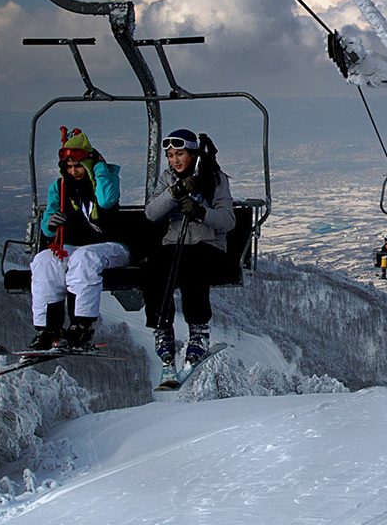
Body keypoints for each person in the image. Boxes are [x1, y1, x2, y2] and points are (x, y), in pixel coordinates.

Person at [142, 129, 236, 380]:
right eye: (170, 155)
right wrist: (174, 192)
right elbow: (151, 213)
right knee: (154, 268)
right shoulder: (167, 179)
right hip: (174, 245)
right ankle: (162, 328)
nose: (175, 160)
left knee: (192, 265)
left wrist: (200, 212)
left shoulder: (214, 179)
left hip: (208, 247)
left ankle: (198, 331)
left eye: (180, 154)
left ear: (193, 154)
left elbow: (228, 220)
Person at [28, 127, 128, 350]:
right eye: (70, 167)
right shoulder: (61, 188)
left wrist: (99, 167)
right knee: (45, 261)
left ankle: (81, 326)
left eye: (79, 166)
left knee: (85, 258)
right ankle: (47, 328)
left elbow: (106, 201)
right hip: (73, 247)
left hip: (111, 246)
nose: (74, 172)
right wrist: (50, 225)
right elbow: (47, 224)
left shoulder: (105, 179)